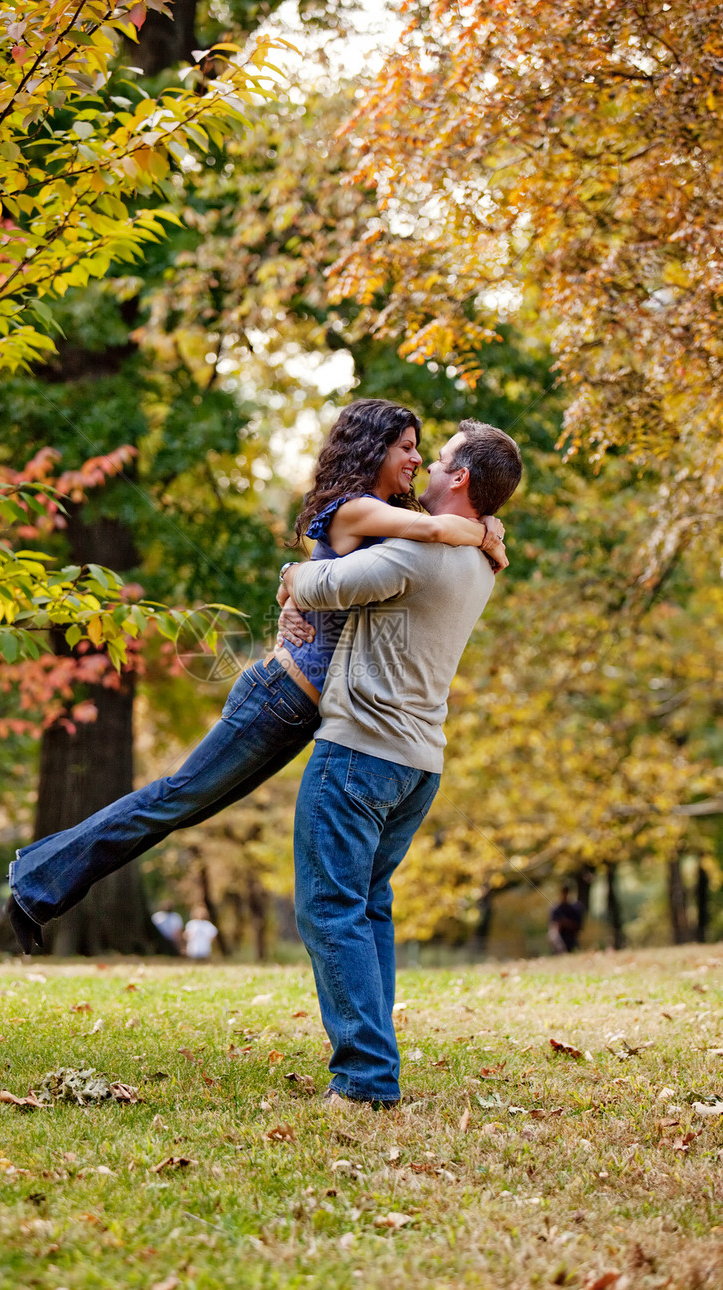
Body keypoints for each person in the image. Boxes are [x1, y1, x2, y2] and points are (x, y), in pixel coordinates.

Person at [6, 400, 508, 953]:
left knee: (185, 806)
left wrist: (291, 580)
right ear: (374, 449)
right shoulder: (361, 509)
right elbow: (437, 531)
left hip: (301, 711)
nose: (416, 458)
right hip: (278, 695)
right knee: (174, 798)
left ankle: (37, 871)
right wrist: (485, 532)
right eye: (406, 447)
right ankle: (36, 885)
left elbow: (378, 560)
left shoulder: (392, 515)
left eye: (421, 449)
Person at [282, 418, 523, 1107]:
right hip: (418, 764)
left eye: (439, 457)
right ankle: (373, 1066)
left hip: (360, 753)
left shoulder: (416, 558)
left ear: (461, 478)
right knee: (369, 909)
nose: (426, 464)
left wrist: (291, 573)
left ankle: (364, 1079)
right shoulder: (481, 557)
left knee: (331, 910)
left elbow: (317, 587)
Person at [548, 884, 585, 953]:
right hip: (559, 938)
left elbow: (578, 926)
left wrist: (565, 923)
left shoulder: (575, 908)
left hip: (571, 938)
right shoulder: (555, 908)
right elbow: (554, 925)